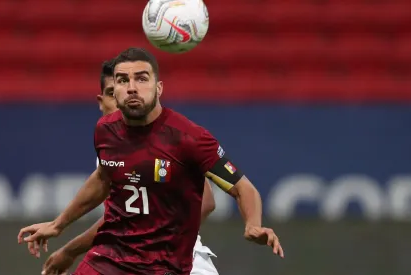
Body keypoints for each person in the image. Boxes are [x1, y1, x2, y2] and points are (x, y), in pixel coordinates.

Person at [18, 48, 284, 275]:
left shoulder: (189, 138)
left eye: (141, 79)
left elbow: (242, 187)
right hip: (110, 258)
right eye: (122, 81)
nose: (131, 87)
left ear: (159, 88)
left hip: (164, 265)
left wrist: (253, 224)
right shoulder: (105, 130)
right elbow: (102, 178)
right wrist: (57, 224)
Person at [24, 60, 220, 274]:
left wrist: (160, 240)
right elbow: (122, 222)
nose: (124, 98)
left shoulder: (166, 141)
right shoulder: (109, 145)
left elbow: (207, 201)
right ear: (101, 102)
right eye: (113, 92)